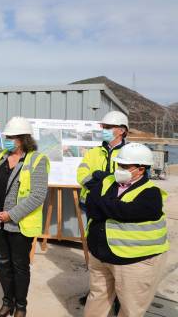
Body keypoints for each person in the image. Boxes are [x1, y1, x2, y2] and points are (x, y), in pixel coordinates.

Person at [83, 143, 169, 317]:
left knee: (131, 308)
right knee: (96, 301)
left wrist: (105, 205)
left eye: (125, 166)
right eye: (119, 164)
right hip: (100, 256)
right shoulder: (108, 182)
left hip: (134, 262)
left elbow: (126, 212)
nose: (120, 169)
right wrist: (111, 207)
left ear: (141, 169)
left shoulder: (151, 194)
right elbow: (90, 205)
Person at [0, 116, 49, 317]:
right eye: (7, 136)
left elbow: (38, 195)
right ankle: (7, 302)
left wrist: (11, 215)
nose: (7, 140)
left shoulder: (37, 160)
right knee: (3, 264)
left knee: (19, 266)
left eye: (12, 137)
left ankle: (21, 306)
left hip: (19, 225)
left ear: (23, 139)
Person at [77, 110, 129, 310]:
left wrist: (104, 179)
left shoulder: (130, 152)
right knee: (95, 251)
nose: (104, 131)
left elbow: (131, 180)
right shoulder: (93, 152)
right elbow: (82, 174)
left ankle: (117, 297)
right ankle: (96, 292)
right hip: (93, 208)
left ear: (122, 131)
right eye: (103, 127)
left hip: (117, 209)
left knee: (117, 252)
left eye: (108, 128)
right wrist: (103, 183)